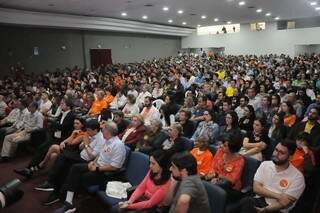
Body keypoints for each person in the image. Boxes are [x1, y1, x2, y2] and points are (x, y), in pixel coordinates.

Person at [54, 121, 126, 213]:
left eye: (103, 129)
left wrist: (97, 168)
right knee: (75, 168)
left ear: (108, 131)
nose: (101, 131)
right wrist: (93, 163)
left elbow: (115, 167)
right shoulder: (108, 141)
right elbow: (100, 155)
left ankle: (70, 202)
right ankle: (69, 202)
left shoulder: (118, 145)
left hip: (104, 172)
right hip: (96, 165)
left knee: (81, 176)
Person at [33, 120, 105, 205]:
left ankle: (52, 184)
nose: (87, 132)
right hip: (80, 155)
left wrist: (86, 144)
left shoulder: (101, 139)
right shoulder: (90, 134)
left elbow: (92, 156)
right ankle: (52, 184)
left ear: (95, 130)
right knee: (62, 158)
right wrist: (84, 143)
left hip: (86, 160)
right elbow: (80, 148)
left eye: (89, 130)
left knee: (63, 159)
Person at [240, 140, 305, 213]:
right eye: (276, 150)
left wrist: (265, 210)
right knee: (246, 201)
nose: (276, 154)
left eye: (282, 153)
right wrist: (279, 196)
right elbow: (256, 188)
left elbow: (285, 203)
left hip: (277, 209)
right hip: (260, 200)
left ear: (290, 157)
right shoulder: (265, 164)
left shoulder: (298, 177)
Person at [205, 133, 244, 202]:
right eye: (222, 143)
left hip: (230, 188)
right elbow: (213, 166)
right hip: (214, 181)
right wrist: (211, 174)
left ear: (232, 148)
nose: (221, 146)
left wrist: (217, 176)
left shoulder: (239, 161)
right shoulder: (220, 151)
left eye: (224, 145)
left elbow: (231, 180)